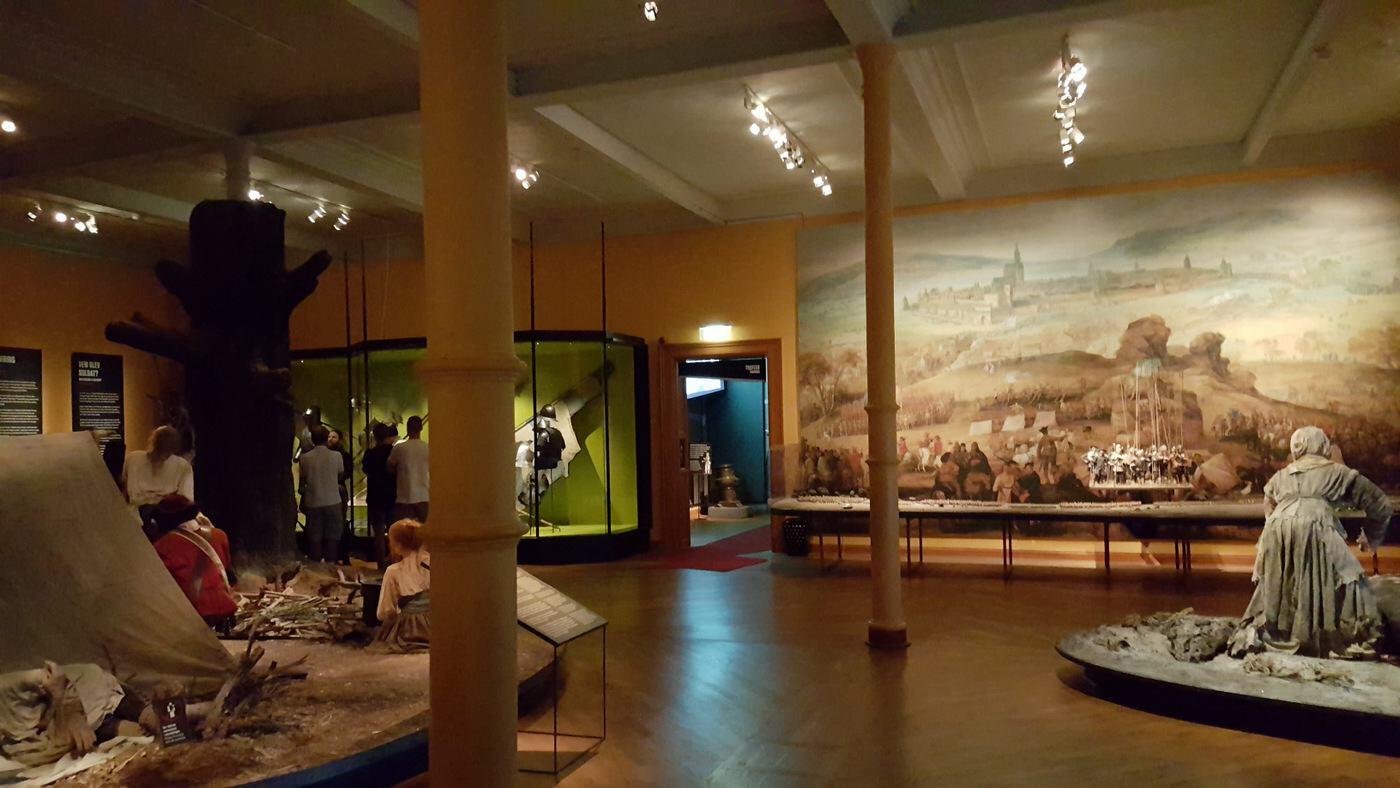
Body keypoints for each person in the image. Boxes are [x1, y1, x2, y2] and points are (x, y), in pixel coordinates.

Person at [1229, 427, 1392, 658]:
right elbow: (1380, 504)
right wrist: (1371, 537)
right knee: (1347, 576)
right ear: (1323, 446)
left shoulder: (1282, 475)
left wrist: (1278, 530)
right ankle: (1331, 635)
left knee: (1285, 579)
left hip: (1278, 528)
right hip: (1315, 526)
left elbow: (1269, 502)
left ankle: (1284, 633)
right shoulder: (1339, 473)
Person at [149, 494, 237, 631]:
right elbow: (226, 574)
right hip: (224, 613)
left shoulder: (162, 546)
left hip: (192, 618)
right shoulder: (219, 535)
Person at [371, 519, 431, 653]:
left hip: (410, 629)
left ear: (397, 545)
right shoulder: (437, 563)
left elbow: (385, 611)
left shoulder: (394, 571)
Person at [122, 426, 194, 529]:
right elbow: (124, 492)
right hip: (136, 514)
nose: (163, 455)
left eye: (167, 451)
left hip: (167, 515)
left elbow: (185, 500)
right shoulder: (133, 460)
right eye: (160, 449)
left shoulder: (182, 466)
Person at [299, 425, 345, 563]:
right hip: (333, 500)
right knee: (332, 537)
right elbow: (340, 474)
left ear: (312, 440)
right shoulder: (336, 456)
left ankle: (317, 567)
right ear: (326, 439)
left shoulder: (305, 458)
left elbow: (303, 480)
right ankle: (330, 565)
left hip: (313, 502)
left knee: (314, 539)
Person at [362, 423, 398, 567]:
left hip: (375, 496)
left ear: (375, 436)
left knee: (378, 533)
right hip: (391, 495)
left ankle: (381, 563)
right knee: (393, 532)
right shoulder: (393, 451)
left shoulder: (369, 453)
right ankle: (394, 562)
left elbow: (366, 470)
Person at [388, 416, 430, 523]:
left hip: (404, 496)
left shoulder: (399, 448)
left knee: (404, 530)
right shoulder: (427, 448)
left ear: (407, 428)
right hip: (424, 495)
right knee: (424, 529)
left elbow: (389, 467)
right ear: (421, 428)